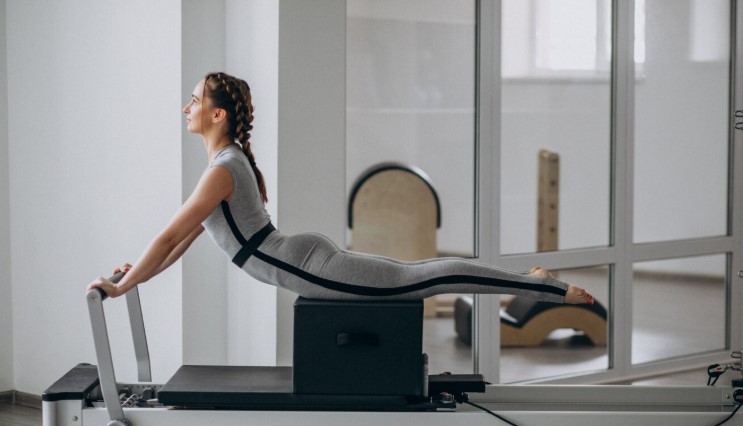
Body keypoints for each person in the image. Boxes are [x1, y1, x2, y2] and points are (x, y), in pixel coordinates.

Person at [87, 72, 594, 306]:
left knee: (427, 279)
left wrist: (122, 286)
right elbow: (179, 242)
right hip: (308, 261)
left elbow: (166, 235)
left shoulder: (222, 169)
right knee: (421, 275)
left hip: (311, 268)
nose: (186, 107)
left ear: (216, 114)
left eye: (193, 100)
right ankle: (536, 280)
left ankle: (542, 286)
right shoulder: (227, 163)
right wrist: (135, 278)